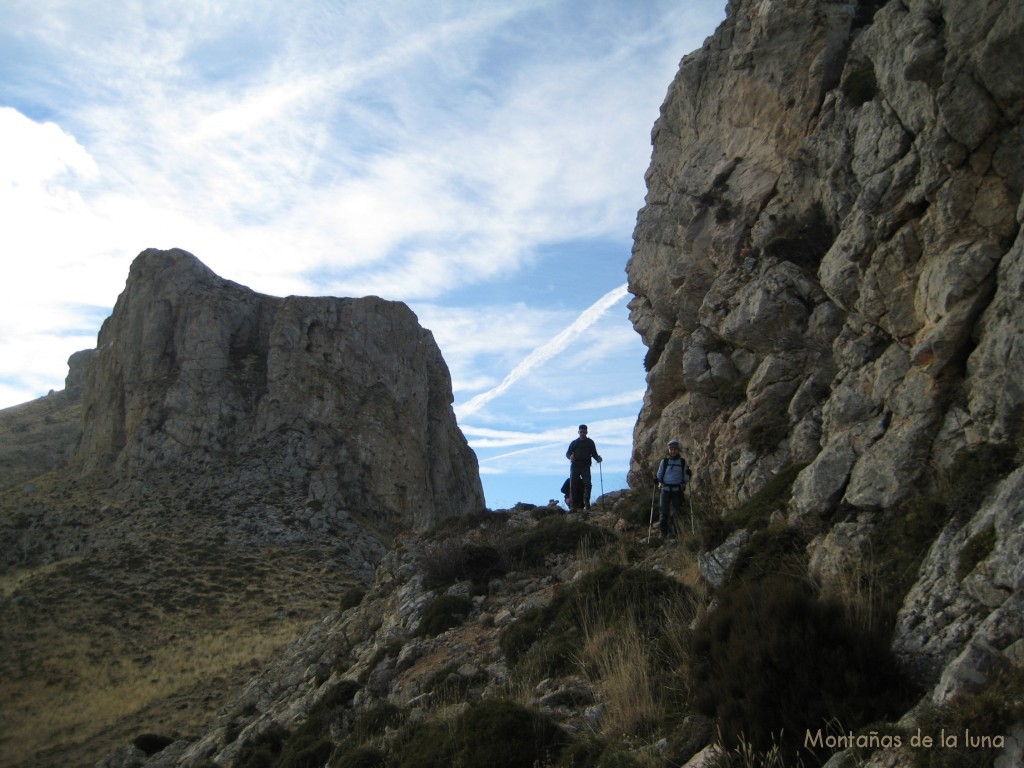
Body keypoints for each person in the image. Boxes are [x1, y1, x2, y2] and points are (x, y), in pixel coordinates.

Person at [656, 439, 690, 538]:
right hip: (665, 489)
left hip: (677, 490)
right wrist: (657, 480)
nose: (673, 451)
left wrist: (688, 475)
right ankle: (663, 532)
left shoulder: (683, 462)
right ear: (669, 450)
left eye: (675, 449)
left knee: (676, 512)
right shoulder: (665, 461)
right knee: (664, 511)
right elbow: (659, 474)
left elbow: (685, 477)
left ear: (678, 450)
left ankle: (673, 532)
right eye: (671, 449)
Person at [566, 424, 602, 509]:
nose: (582, 433)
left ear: (586, 432)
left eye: (584, 432)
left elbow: (594, 454)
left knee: (588, 484)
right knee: (573, 485)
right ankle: (573, 505)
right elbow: (567, 453)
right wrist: (570, 457)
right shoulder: (574, 443)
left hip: (585, 466)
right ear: (578, 432)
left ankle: (587, 502)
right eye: (581, 432)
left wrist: (598, 458)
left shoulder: (590, 442)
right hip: (575, 466)